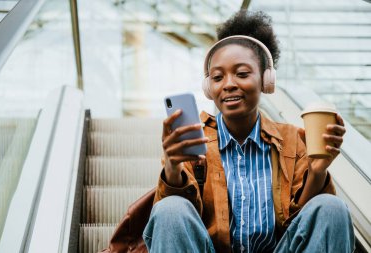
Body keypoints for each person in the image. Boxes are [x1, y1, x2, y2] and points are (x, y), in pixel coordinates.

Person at [143, 10, 354, 253]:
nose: (229, 84)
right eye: (217, 77)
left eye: (242, 74)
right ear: (208, 87)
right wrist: (172, 168)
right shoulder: (192, 139)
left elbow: (302, 231)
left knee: (331, 207)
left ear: (266, 80)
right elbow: (176, 228)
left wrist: (317, 172)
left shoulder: (293, 141)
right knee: (170, 209)